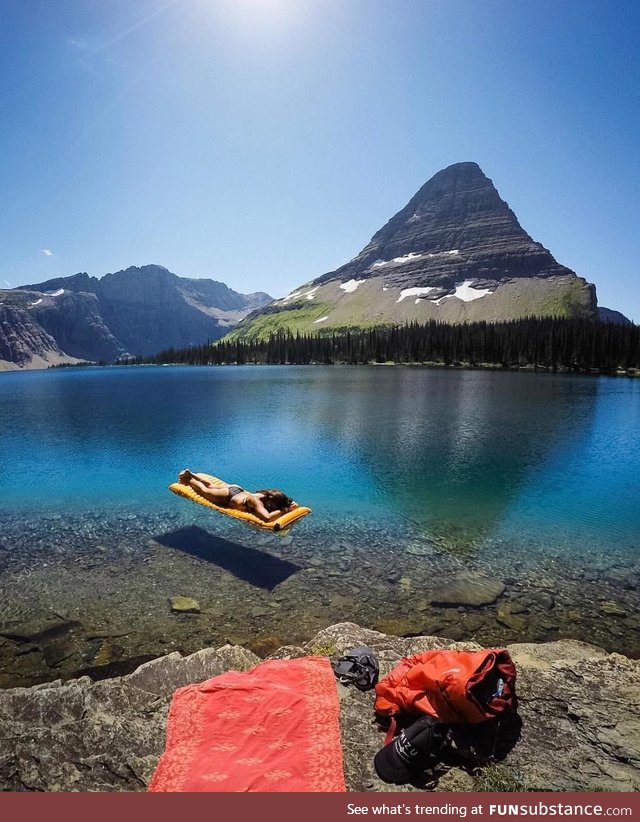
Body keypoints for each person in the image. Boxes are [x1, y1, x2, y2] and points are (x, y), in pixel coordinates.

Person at [178, 469, 298, 523]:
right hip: (228, 496)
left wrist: (288, 506)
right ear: (270, 500)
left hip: (236, 489)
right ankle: (188, 479)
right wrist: (285, 510)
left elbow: (292, 503)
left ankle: (192, 473)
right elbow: (267, 518)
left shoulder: (269, 495)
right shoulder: (255, 500)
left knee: (210, 485)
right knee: (204, 490)